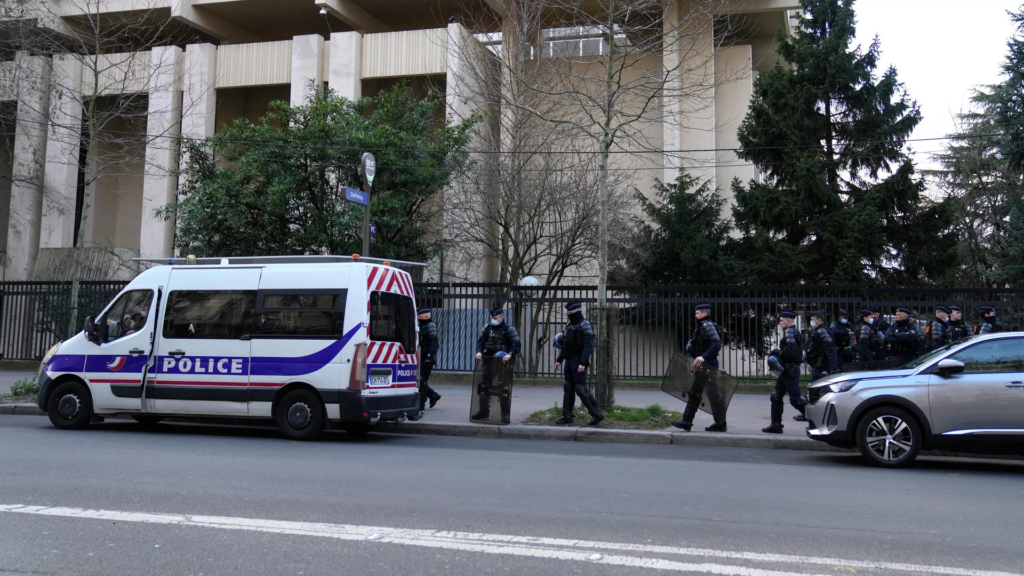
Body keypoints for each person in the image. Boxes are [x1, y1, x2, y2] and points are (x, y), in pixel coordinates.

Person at [670, 303, 727, 432]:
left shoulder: (708, 325)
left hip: (708, 366)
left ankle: (687, 421)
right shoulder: (704, 326)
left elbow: (717, 343)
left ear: (704, 313)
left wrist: (703, 357)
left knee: (700, 393)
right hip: (706, 366)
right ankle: (718, 422)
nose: (696, 315)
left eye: (698, 313)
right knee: (707, 394)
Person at [553, 301, 605, 427]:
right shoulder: (569, 325)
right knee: (568, 388)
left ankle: (597, 414)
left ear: (577, 311)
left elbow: (588, 346)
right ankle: (567, 416)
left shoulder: (585, 325)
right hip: (569, 361)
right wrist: (559, 360)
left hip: (578, 361)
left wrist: (583, 362)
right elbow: (565, 345)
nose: (569, 315)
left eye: (570, 312)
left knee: (580, 389)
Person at [473, 307, 521, 423]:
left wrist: (510, 354)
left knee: (503, 387)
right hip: (489, 360)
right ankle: (483, 411)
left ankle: (504, 414)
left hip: (504, 362)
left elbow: (516, 345)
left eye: (495, 318)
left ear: (501, 318)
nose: (493, 320)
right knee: (485, 385)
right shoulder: (487, 328)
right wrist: (479, 352)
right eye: (492, 318)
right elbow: (481, 341)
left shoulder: (509, 329)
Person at [763, 309, 806, 434]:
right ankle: (776, 425)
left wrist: (777, 352)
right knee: (776, 397)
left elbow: (790, 353)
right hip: (786, 371)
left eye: (782, 320)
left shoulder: (790, 332)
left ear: (788, 321)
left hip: (790, 371)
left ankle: (817, 419)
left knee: (795, 400)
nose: (780, 323)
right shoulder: (791, 332)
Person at [795, 310, 838, 423]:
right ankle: (811, 413)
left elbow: (830, 349)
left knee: (813, 390)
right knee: (815, 390)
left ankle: (809, 414)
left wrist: (834, 368)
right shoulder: (818, 331)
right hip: (818, 365)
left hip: (821, 366)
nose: (811, 321)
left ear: (819, 320)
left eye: (813, 319)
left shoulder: (822, 331)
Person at [417, 307, 441, 411]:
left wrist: (430, 356)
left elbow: (434, 343)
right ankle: (433, 395)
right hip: (419, 356)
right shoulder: (419, 325)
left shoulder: (430, 326)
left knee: (421, 380)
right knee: (419, 380)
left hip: (427, 357)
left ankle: (421, 405)